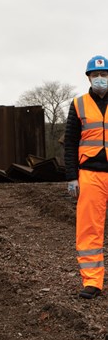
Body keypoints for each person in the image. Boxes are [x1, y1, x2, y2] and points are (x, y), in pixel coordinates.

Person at [64, 55, 108, 299]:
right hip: (90, 174)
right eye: (96, 76)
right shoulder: (78, 104)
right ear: (89, 78)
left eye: (104, 75)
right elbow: (70, 142)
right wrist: (72, 176)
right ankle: (92, 281)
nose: (100, 79)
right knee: (89, 229)